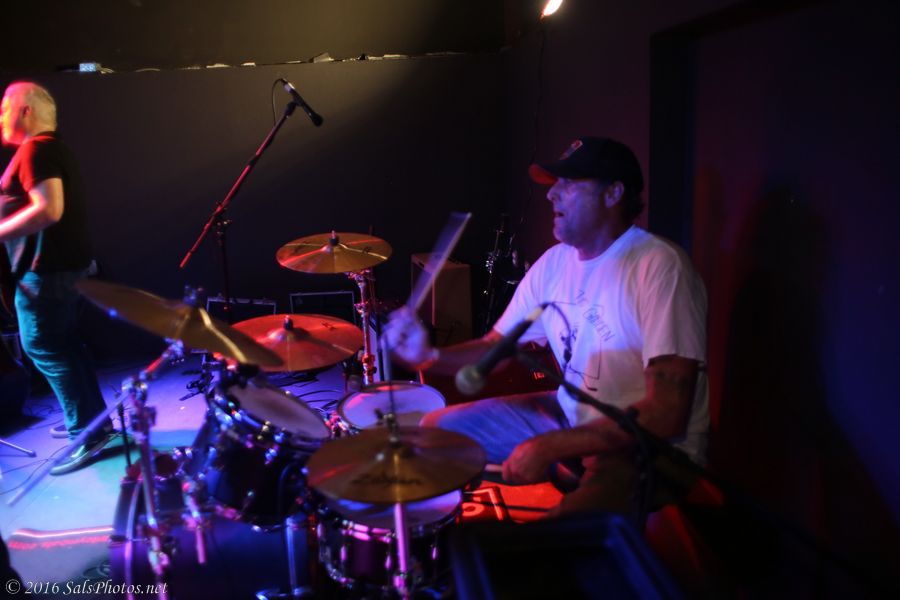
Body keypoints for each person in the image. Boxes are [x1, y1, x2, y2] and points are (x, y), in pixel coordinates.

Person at [386, 137, 708, 517]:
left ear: (613, 193)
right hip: (570, 415)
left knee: (556, 538)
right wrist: (428, 355)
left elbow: (667, 413)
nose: (552, 194)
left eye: (568, 184)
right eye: (555, 184)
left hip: (648, 446)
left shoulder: (659, 267)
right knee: (433, 433)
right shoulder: (556, 263)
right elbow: (496, 347)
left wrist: (552, 446)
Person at [0, 81, 119, 475]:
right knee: (65, 346)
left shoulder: (35, 149)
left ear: (26, 111)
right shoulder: (54, 148)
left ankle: (87, 433)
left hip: (46, 273)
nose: (0, 117)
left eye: (4, 108)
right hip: (63, 269)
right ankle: (93, 423)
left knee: (44, 346)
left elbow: (49, 209)